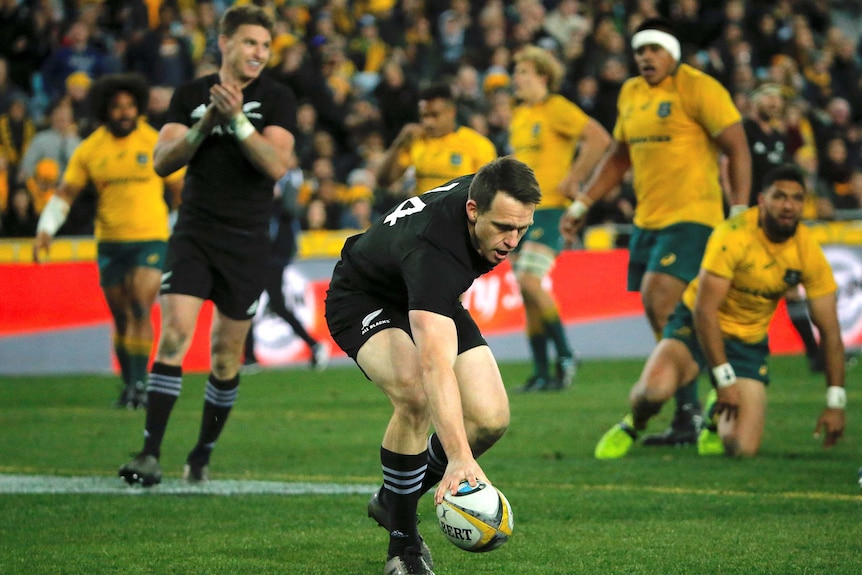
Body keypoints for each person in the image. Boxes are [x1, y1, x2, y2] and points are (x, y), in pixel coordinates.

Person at [325, 156, 540, 575]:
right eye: (503, 228)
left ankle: (392, 500)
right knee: (416, 397)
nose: (512, 240)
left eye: (522, 228)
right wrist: (460, 458)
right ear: (473, 210)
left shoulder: (485, 193)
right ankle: (403, 544)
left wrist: (465, 449)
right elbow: (435, 366)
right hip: (364, 296)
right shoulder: (435, 251)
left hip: (420, 287)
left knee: (491, 418)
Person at [118, 4, 296, 487]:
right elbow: (162, 161)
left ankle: (201, 451)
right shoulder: (190, 95)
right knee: (174, 333)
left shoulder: (277, 99)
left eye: (265, 45)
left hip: (247, 242)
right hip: (195, 233)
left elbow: (276, 164)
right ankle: (149, 453)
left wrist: (236, 121)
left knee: (224, 356)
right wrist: (205, 123)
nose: (259, 52)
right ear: (226, 43)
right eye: (250, 43)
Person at [562, 18, 751, 444]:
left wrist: (738, 209)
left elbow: (736, 144)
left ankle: (705, 394)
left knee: (658, 294)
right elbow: (618, 156)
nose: (646, 57)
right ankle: (688, 411)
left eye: (654, 49)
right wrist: (583, 202)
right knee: (664, 317)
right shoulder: (631, 93)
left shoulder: (698, 87)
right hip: (647, 221)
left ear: (672, 53)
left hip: (694, 217)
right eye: (640, 50)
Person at [594, 164, 845, 459]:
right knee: (652, 393)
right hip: (696, 326)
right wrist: (725, 379)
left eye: (796, 198)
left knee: (741, 448)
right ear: (762, 200)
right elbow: (705, 311)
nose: (788, 206)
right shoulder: (733, 235)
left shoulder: (808, 252)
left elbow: (830, 332)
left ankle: (714, 420)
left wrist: (835, 401)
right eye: (779, 197)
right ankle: (633, 425)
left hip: (746, 342)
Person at [32, 73, 184, 408]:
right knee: (120, 317)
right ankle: (129, 384)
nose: (125, 112)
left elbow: (179, 189)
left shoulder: (154, 140)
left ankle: (142, 385)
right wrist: (46, 229)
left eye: (130, 106)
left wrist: (191, 228)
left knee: (140, 306)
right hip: (110, 242)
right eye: (117, 107)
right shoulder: (90, 149)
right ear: (105, 110)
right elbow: (66, 193)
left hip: (151, 238)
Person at [509, 44, 612, 392]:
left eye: (523, 72)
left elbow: (599, 138)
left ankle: (566, 355)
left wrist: (575, 178)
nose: (516, 79)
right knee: (527, 292)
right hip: (520, 212)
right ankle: (541, 372)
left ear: (542, 76)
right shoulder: (520, 116)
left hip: (550, 208)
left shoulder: (556, 109)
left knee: (529, 282)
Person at [243, 154, 331, 372]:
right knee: (257, 301)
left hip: (276, 255)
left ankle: (313, 345)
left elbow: (294, 211)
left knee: (263, 302)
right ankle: (251, 356)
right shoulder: (272, 181)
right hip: (263, 252)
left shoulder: (294, 181)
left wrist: (277, 197)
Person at [376, 82, 497, 197]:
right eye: (424, 116)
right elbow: (384, 181)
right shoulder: (417, 141)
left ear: (451, 112)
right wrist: (399, 143)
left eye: (434, 115)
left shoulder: (478, 144)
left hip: (458, 216)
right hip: (424, 216)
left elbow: (487, 192)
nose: (428, 123)